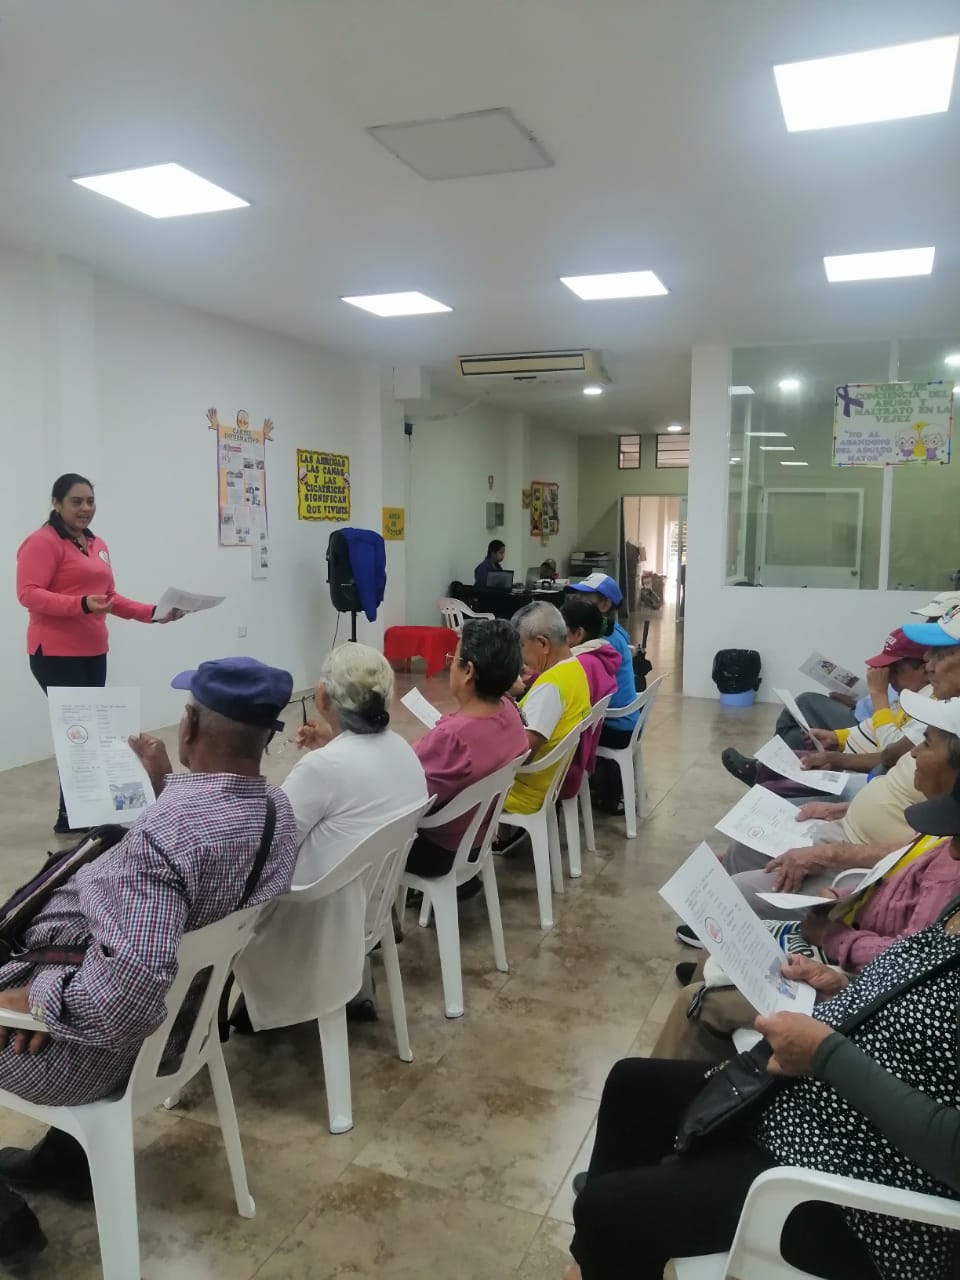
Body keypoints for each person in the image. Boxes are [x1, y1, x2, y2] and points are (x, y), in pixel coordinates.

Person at [0, 656, 299, 1259]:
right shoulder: (277, 814)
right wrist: (164, 783)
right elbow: (201, 856)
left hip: (95, 1054)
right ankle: (66, 1162)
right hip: (185, 1029)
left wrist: (36, 1000)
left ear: (189, 725)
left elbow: (125, 999)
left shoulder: (161, 843)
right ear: (267, 736)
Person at [570, 865, 960, 1280]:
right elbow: (922, 1012)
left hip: (864, 1195)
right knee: (632, 1086)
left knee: (606, 1209)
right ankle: (598, 1258)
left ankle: (606, 1242)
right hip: (816, 1110)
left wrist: (824, 1054)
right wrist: (845, 991)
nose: (949, 851)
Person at [658, 694, 960, 1062]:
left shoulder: (950, 868)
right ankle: (709, 982)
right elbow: (903, 873)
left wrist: (833, 934)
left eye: (926, 743)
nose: (913, 752)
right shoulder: (941, 828)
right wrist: (846, 897)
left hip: (852, 963)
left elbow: (909, 964)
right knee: (735, 886)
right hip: (853, 909)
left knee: (727, 931)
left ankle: (702, 1030)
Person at [233, 643, 427, 1030]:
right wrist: (335, 740)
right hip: (369, 908)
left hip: (314, 920)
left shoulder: (323, 768)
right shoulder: (402, 750)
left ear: (322, 696)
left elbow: (268, 847)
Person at [16, 473, 184, 833]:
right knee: (78, 733)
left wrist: (154, 613)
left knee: (91, 733)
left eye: (90, 501)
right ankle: (73, 816)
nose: (86, 508)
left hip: (93, 650)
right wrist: (80, 604)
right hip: (55, 653)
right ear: (56, 503)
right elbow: (28, 593)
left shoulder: (96, 543)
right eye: (76, 501)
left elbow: (110, 599)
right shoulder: (42, 542)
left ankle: (79, 813)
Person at [721, 627, 929, 787]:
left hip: (864, 767)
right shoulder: (910, 696)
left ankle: (766, 776)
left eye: (895, 671)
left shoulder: (928, 707)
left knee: (805, 703)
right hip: (855, 737)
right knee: (796, 736)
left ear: (926, 668)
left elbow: (891, 753)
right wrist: (837, 737)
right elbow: (873, 726)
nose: (889, 678)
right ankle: (766, 771)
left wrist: (878, 695)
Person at [405, 620, 528, 882]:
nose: (450, 666)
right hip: (478, 836)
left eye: (453, 659)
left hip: (440, 848)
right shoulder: (509, 710)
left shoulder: (453, 739)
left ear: (468, 671)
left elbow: (404, 795)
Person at [504, 602, 590, 815]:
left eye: (521, 646)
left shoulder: (550, 686)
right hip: (547, 784)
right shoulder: (575, 668)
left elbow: (522, 753)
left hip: (521, 792)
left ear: (543, 644)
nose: (520, 656)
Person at [560, 599, 620, 802]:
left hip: (568, 762)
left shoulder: (580, 664)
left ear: (578, 634)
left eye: (560, 630)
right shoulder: (598, 656)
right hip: (581, 751)